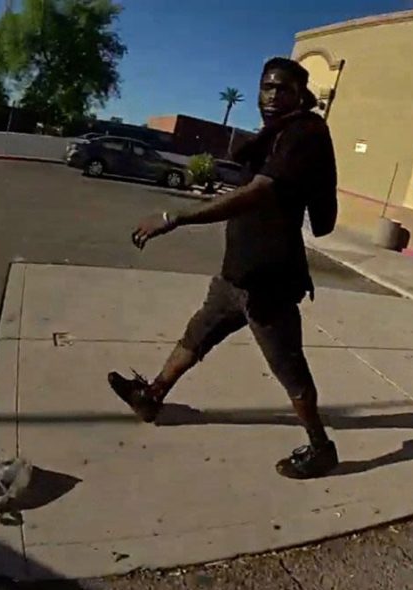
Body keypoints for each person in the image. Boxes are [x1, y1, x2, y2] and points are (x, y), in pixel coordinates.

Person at [109, 57, 340, 480]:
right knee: (195, 336)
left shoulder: (305, 133)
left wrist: (177, 217)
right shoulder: (274, 135)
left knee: (290, 368)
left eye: (282, 89)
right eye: (266, 87)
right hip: (236, 275)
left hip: (269, 282)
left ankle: (321, 447)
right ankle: (152, 396)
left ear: (300, 95)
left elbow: (259, 192)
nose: (271, 97)